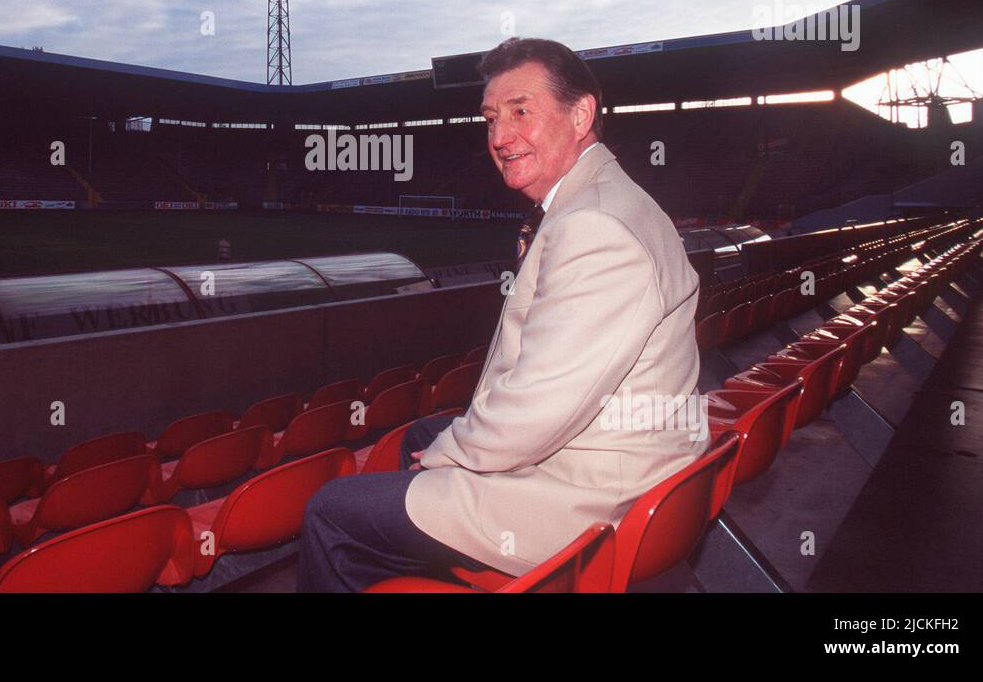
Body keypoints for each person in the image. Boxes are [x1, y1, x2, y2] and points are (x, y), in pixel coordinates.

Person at [296, 36, 709, 592]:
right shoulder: (601, 198)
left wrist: (449, 456)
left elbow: (539, 409)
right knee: (415, 434)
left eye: (521, 112)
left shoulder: (596, 226)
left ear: (581, 114)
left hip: (590, 493)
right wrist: (447, 445)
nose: (499, 137)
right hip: (615, 456)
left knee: (330, 511)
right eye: (491, 118)